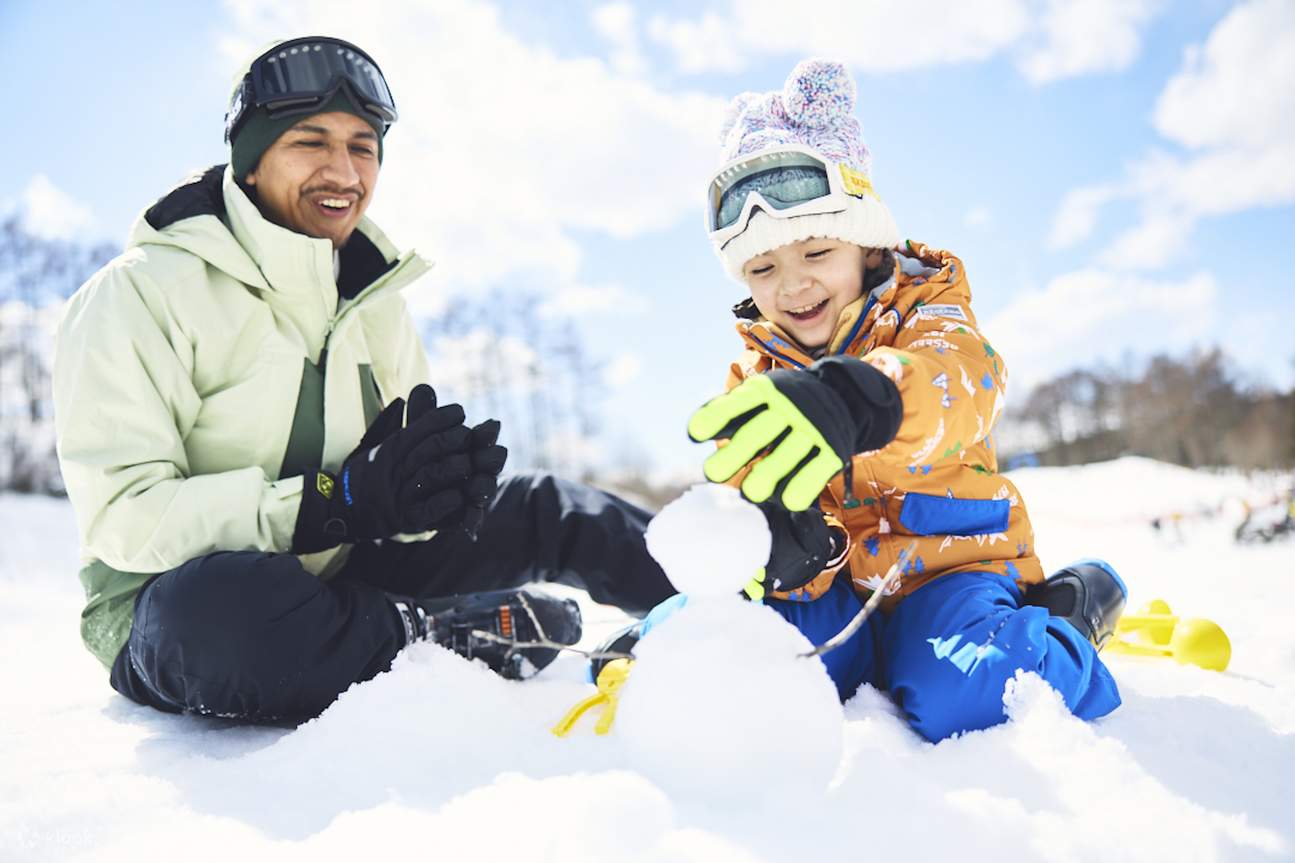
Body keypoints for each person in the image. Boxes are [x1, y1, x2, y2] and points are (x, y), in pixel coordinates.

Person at [53, 36, 675, 724]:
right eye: (310, 142)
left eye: (362, 147)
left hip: (342, 569)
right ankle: (435, 636)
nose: (342, 171)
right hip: (175, 603)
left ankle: (736, 608)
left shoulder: (377, 303)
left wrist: (423, 502)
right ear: (251, 160)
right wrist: (329, 504)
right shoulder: (140, 292)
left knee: (545, 507)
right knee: (218, 620)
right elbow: (125, 518)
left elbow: (384, 507)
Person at [610, 60, 1126, 743]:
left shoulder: (929, 313)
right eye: (762, 268)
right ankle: (660, 644)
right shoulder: (754, 379)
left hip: (948, 572)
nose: (792, 286)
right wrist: (780, 541)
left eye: (816, 251)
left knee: (973, 695)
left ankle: (1067, 616)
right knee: (733, 663)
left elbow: (965, 382)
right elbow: (742, 492)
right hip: (833, 596)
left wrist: (872, 397)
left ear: (863, 242)